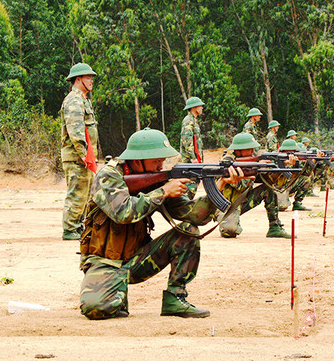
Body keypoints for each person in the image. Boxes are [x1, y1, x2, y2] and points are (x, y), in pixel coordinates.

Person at [78, 129, 243, 319]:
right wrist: (163, 192)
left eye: (162, 161)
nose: (161, 166)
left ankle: (175, 298)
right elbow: (123, 213)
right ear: (138, 159)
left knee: (189, 231)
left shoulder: (156, 181)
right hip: (104, 262)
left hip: (137, 260)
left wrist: (220, 184)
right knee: (96, 309)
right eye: (156, 160)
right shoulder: (108, 176)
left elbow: (195, 216)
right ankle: (114, 290)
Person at [218, 132, 291, 239]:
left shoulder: (251, 162)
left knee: (267, 189)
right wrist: (255, 168)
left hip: (241, 203)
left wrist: (282, 167)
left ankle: (274, 226)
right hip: (224, 206)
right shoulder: (228, 161)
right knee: (229, 232)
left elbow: (270, 182)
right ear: (239, 150)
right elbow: (240, 185)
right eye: (249, 148)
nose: (253, 151)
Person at [59, 62, 100, 240]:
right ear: (78, 79)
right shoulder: (74, 100)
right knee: (77, 193)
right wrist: (83, 154)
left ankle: (78, 226)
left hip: (84, 156)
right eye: (88, 77)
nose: (91, 80)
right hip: (77, 157)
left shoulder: (82, 99)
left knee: (85, 193)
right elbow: (75, 130)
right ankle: (70, 229)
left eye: (91, 77)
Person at [179, 96, 205, 199]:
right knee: (191, 184)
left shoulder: (193, 120)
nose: (202, 108)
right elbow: (187, 140)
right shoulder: (188, 120)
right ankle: (183, 204)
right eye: (200, 106)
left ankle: (184, 203)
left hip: (195, 159)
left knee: (194, 183)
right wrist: (192, 158)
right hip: (191, 161)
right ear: (194, 107)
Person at [280, 138, 312, 211]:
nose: (294, 153)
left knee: (305, 179)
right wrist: (286, 162)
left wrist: (312, 161)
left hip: (288, 186)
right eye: (291, 151)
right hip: (277, 188)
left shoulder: (295, 159)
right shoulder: (277, 157)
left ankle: (297, 203)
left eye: (295, 151)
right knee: (281, 207)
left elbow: (306, 173)